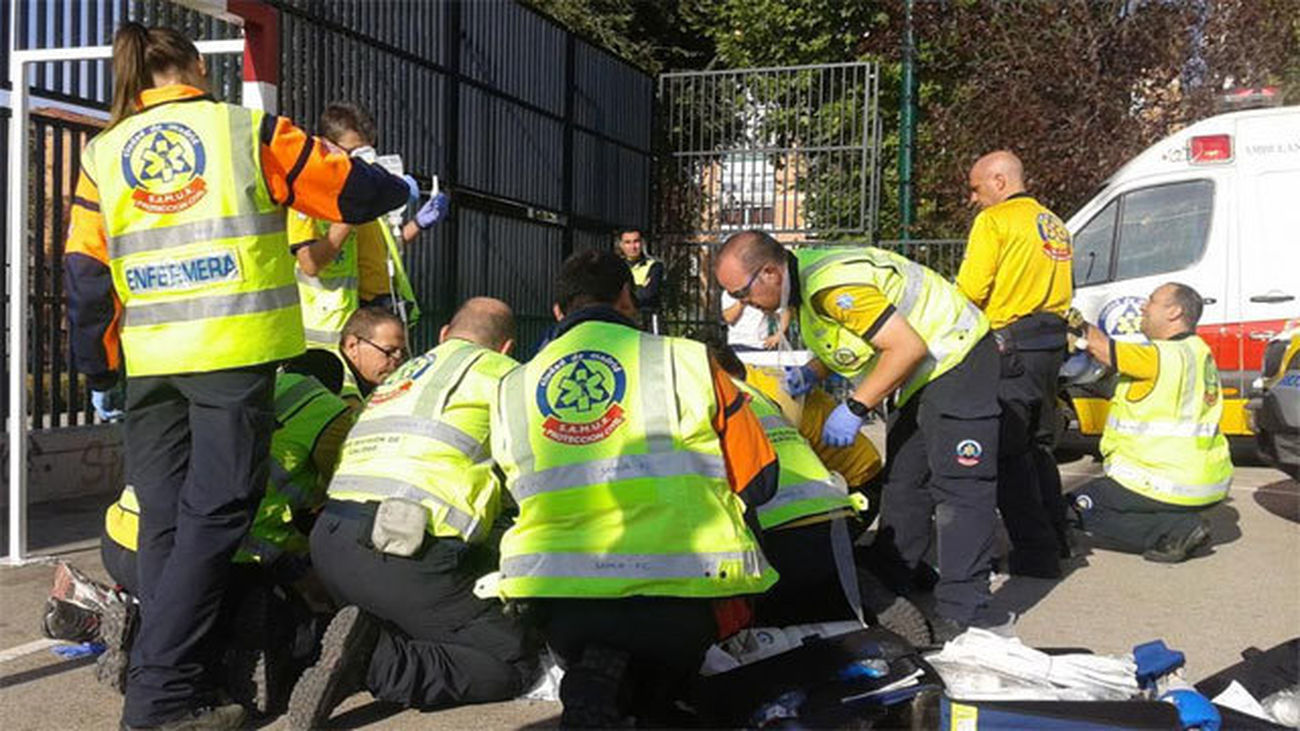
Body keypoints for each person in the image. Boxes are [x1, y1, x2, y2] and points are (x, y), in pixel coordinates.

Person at [62, 23, 409, 729]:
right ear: (195, 66)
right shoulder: (249, 131)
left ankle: (174, 676)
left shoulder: (103, 153)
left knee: (167, 519)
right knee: (216, 516)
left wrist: (100, 367)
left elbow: (83, 274)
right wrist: (388, 175)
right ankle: (159, 697)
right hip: (232, 352)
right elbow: (354, 192)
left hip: (150, 362)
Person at [490, 249, 779, 725]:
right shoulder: (689, 360)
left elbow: (509, 493)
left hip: (558, 600)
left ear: (559, 312)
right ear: (627, 298)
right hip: (685, 597)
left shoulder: (512, 385)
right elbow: (760, 482)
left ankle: (605, 681)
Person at [714, 230, 1000, 641]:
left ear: (771, 273)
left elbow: (905, 347)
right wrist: (814, 372)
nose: (743, 305)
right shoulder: (804, 287)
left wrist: (855, 407)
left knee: (960, 487)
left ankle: (964, 611)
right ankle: (893, 577)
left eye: (742, 292)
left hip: (957, 357)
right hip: (924, 376)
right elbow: (853, 338)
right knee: (905, 482)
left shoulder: (830, 288)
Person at [288, 298, 536, 728]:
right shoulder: (508, 378)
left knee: (423, 621)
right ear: (507, 347)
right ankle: (374, 663)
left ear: (443, 335)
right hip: (403, 551)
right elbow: (532, 477)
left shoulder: (401, 375)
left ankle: (295, 642)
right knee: (511, 661)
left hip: (331, 545)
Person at [95, 363, 352, 711]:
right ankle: (221, 667)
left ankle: (144, 634)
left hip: (120, 540)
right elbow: (343, 503)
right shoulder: (328, 413)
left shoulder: (216, 395)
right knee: (286, 618)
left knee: (190, 602)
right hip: (208, 560)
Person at [711, 345, 933, 646]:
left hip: (793, 518)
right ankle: (863, 581)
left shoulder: (709, 401)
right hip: (833, 506)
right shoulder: (759, 392)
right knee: (823, 581)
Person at [957, 150, 1074, 578]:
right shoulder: (1053, 223)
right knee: (1038, 448)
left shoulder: (995, 222)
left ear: (1000, 181)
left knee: (1008, 454)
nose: (973, 198)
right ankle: (1057, 538)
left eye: (976, 187)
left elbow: (970, 289)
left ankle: (1035, 552)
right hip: (1050, 344)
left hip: (1011, 347)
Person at [1068, 283, 1232, 562]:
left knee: (1066, 510)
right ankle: (1176, 522)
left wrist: (1074, 321)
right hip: (1205, 478)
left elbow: (1104, 349)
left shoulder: (1161, 355)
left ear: (1174, 312)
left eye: (1152, 301)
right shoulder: (1196, 351)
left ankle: (1174, 530)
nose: (1143, 306)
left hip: (1162, 478)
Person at [291, 103, 449, 335]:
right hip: (338, 322)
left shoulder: (364, 191)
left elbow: (384, 252)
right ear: (325, 145)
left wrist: (418, 224)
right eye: (354, 152)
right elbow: (309, 264)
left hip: (381, 309)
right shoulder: (307, 192)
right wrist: (351, 213)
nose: (362, 162)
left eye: (368, 152)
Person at [336, 306, 409, 405]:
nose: (398, 361)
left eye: (403, 353)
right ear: (352, 346)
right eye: (389, 352)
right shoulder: (339, 391)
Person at [615, 228, 665, 332]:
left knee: (654, 348)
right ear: (621, 245)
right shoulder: (615, 266)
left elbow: (648, 294)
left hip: (649, 320)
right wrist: (639, 288)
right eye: (627, 242)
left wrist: (625, 291)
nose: (633, 247)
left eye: (636, 241)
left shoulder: (655, 266)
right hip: (623, 319)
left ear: (642, 243)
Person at [721, 290, 788, 351]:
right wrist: (742, 301)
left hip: (760, 346)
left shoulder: (764, 290)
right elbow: (728, 319)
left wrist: (779, 335)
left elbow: (785, 311)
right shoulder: (728, 293)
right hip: (734, 344)